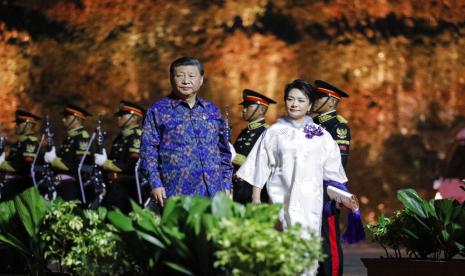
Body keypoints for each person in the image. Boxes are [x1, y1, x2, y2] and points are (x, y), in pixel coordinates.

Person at [236, 79, 349, 275]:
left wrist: (342, 198)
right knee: (283, 253)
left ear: (310, 105)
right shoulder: (273, 132)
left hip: (311, 203)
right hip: (281, 202)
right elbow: (259, 166)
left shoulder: (322, 136)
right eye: (290, 99)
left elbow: (332, 174)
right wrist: (255, 199)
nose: (294, 104)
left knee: (308, 253)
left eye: (301, 100)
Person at [141, 57, 233, 207]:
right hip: (176, 190)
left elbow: (224, 151)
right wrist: (155, 183)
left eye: (191, 76)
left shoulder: (212, 110)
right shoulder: (157, 110)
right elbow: (148, 149)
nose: (186, 81)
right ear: (171, 79)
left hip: (214, 190)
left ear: (201, 79)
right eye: (180, 76)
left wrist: (227, 184)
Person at [310, 80, 350, 276]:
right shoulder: (311, 124)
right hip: (309, 189)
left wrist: (336, 193)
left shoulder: (338, 126)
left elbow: (339, 163)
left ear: (332, 101)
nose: (314, 101)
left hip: (327, 190)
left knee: (329, 240)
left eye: (319, 97)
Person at [94, 100, 149, 213]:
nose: (119, 118)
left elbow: (132, 167)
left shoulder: (136, 138)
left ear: (134, 117)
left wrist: (106, 163)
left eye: (123, 115)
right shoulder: (120, 138)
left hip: (129, 192)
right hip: (114, 189)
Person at [232, 89, 276, 204]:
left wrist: (242, 161)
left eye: (248, 107)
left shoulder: (267, 132)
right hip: (238, 187)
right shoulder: (244, 132)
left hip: (254, 190)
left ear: (261, 109)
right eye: (244, 107)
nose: (244, 110)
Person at [44, 104, 92, 202]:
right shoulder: (70, 138)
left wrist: (54, 160)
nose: (63, 120)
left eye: (66, 117)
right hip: (61, 185)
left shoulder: (82, 138)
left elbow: (79, 166)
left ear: (76, 118)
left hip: (73, 188)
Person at [0, 110, 41, 201]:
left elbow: (24, 166)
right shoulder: (18, 144)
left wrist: (2, 164)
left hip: (22, 187)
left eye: (19, 123)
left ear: (29, 125)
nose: (16, 126)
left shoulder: (30, 144)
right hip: (11, 184)